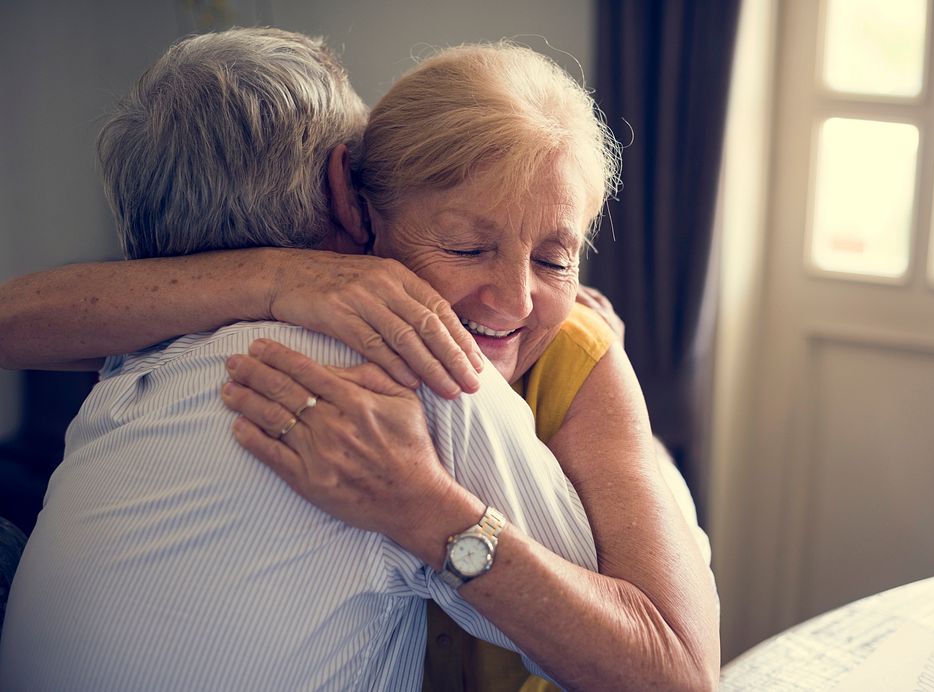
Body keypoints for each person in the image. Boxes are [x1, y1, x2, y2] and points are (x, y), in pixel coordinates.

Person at [0, 28, 719, 692]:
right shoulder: (406, 363)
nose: (515, 300)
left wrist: (621, 425)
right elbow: (662, 668)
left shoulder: (130, 354)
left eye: (557, 258)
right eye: (466, 247)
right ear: (359, 201)